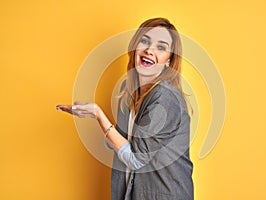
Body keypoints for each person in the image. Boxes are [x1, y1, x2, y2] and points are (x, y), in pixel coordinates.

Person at [56, 17, 194, 200]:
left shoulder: (166, 98)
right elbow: (119, 144)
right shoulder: (126, 92)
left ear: (169, 61)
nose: (149, 50)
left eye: (161, 47)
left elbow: (135, 158)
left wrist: (98, 114)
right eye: (145, 41)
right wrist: (89, 114)